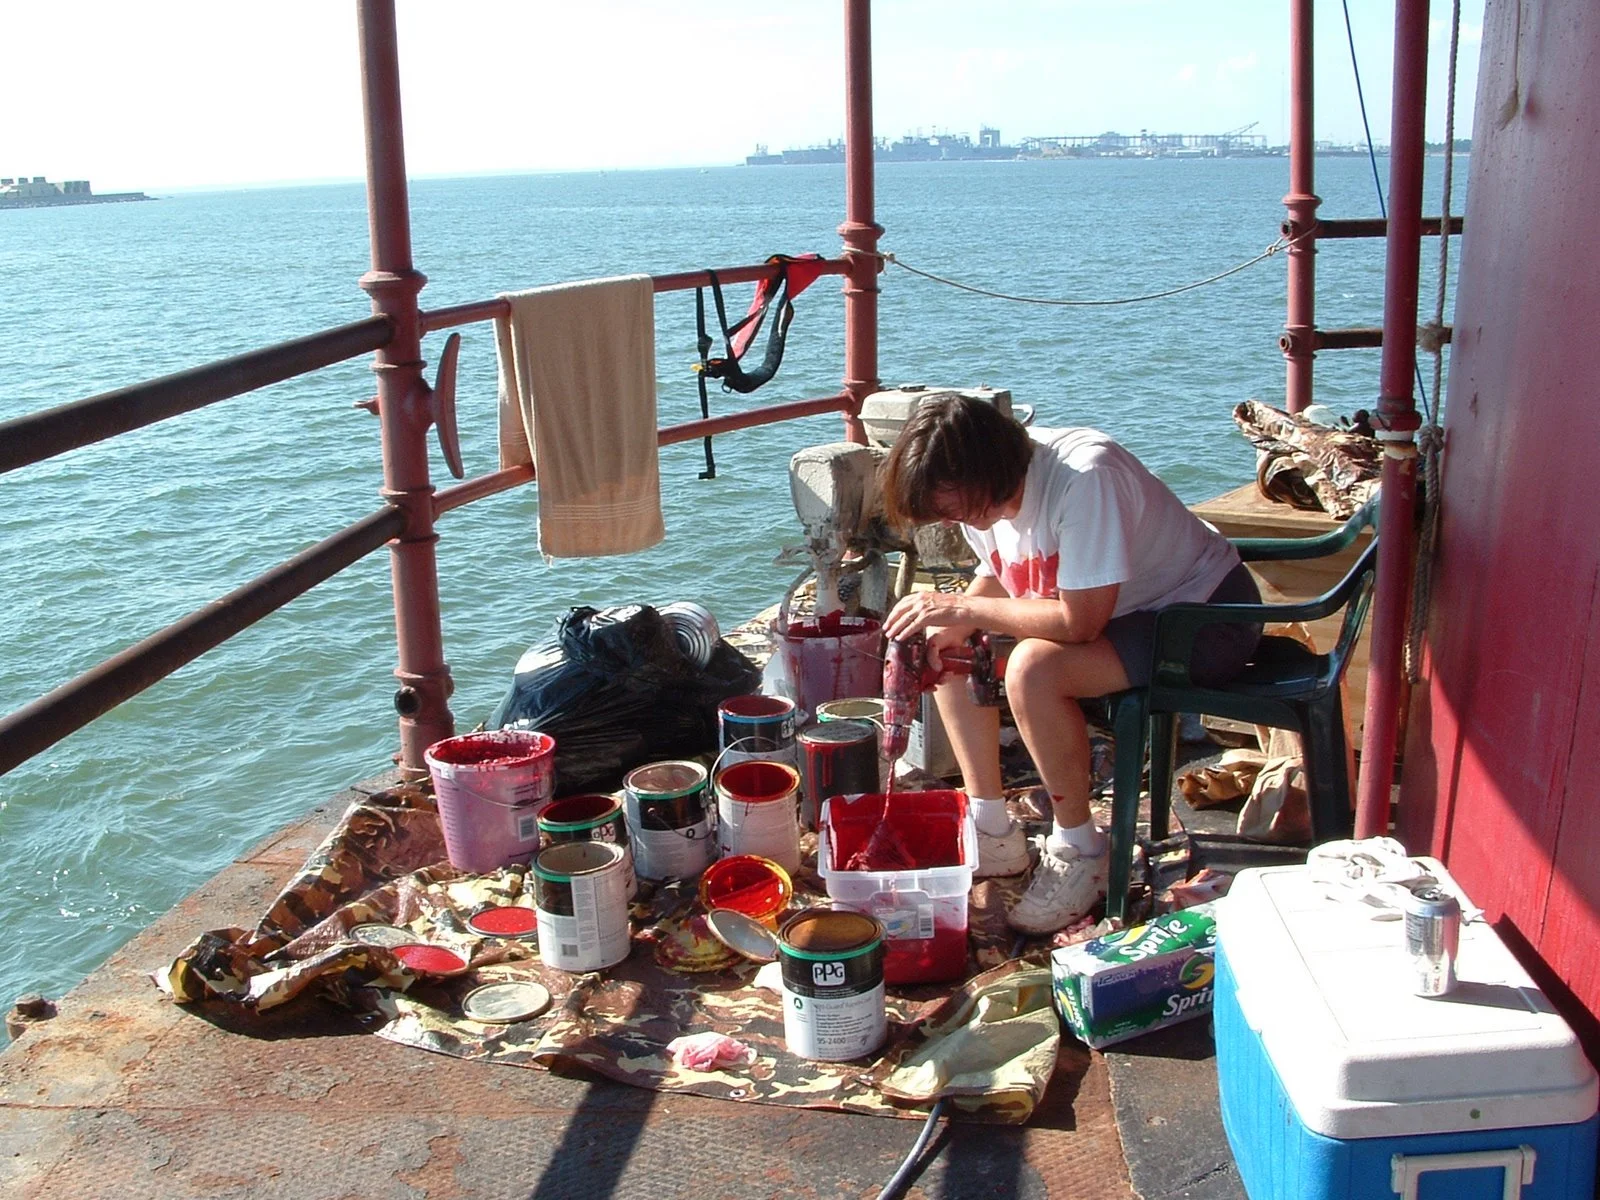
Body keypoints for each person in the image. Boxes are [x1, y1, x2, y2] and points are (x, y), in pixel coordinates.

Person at [879, 395, 1261, 934]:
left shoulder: (1085, 477)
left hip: (1202, 617)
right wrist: (952, 624)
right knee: (953, 649)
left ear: (988, 468)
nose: (951, 519)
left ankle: (1082, 849)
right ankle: (992, 827)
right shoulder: (981, 503)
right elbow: (1005, 577)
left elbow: (1079, 624)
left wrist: (960, 605)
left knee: (1034, 669)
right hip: (1122, 614)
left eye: (953, 505)